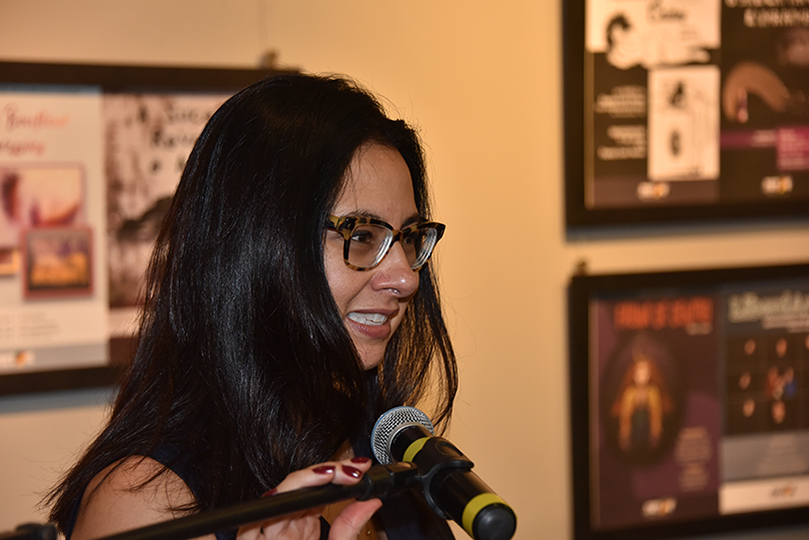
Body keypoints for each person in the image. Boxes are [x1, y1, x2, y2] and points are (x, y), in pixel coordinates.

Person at [46, 73, 458, 540]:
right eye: (362, 235)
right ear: (256, 247)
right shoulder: (148, 504)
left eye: (409, 238)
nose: (406, 278)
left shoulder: (381, 442)